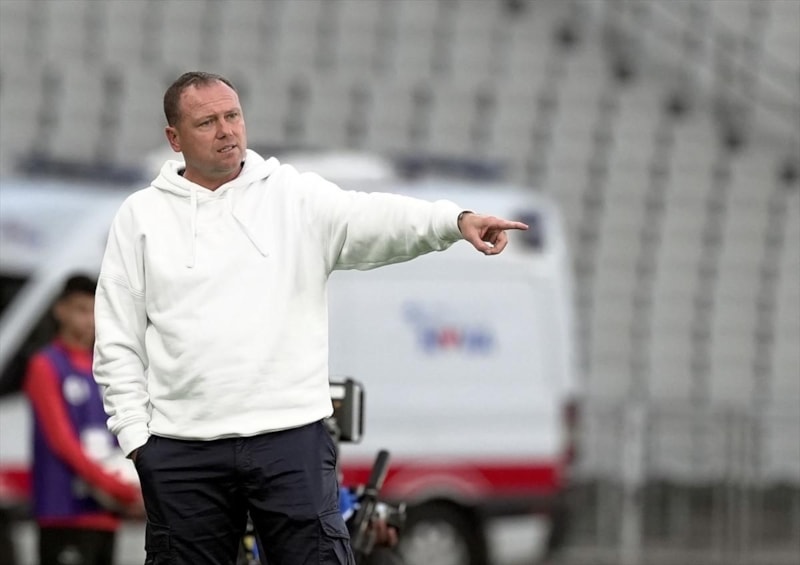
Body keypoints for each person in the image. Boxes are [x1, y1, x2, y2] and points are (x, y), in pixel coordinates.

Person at [92, 71, 528, 565]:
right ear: (175, 138)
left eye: (233, 116)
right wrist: (137, 440)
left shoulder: (293, 196)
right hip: (181, 447)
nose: (227, 131)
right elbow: (117, 338)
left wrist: (452, 221)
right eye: (207, 122)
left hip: (290, 437)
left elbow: (373, 217)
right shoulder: (140, 216)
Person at [23, 275, 143, 565]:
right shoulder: (46, 364)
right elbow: (62, 442)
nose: (89, 320)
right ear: (60, 310)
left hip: (105, 514)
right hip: (64, 513)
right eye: (81, 310)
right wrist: (118, 488)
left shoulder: (105, 370)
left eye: (95, 311)